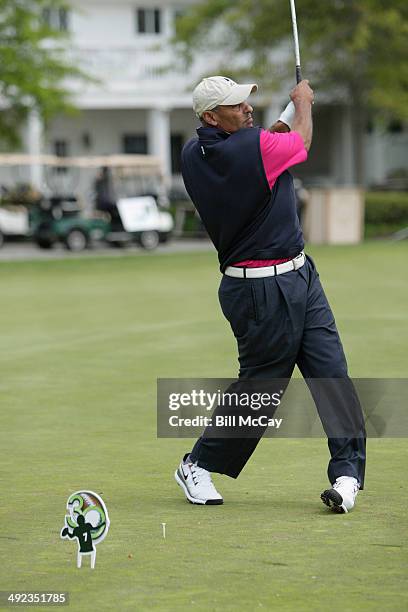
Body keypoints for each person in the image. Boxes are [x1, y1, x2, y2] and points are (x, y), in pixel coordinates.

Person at [174, 75, 366, 513]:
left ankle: (347, 474)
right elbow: (297, 143)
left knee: (332, 372)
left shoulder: (197, 152)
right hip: (261, 290)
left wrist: (283, 115)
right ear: (210, 117)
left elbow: (266, 148)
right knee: (261, 390)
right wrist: (302, 104)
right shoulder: (248, 148)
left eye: (246, 101)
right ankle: (197, 464)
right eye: (236, 105)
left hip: (298, 276)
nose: (246, 108)